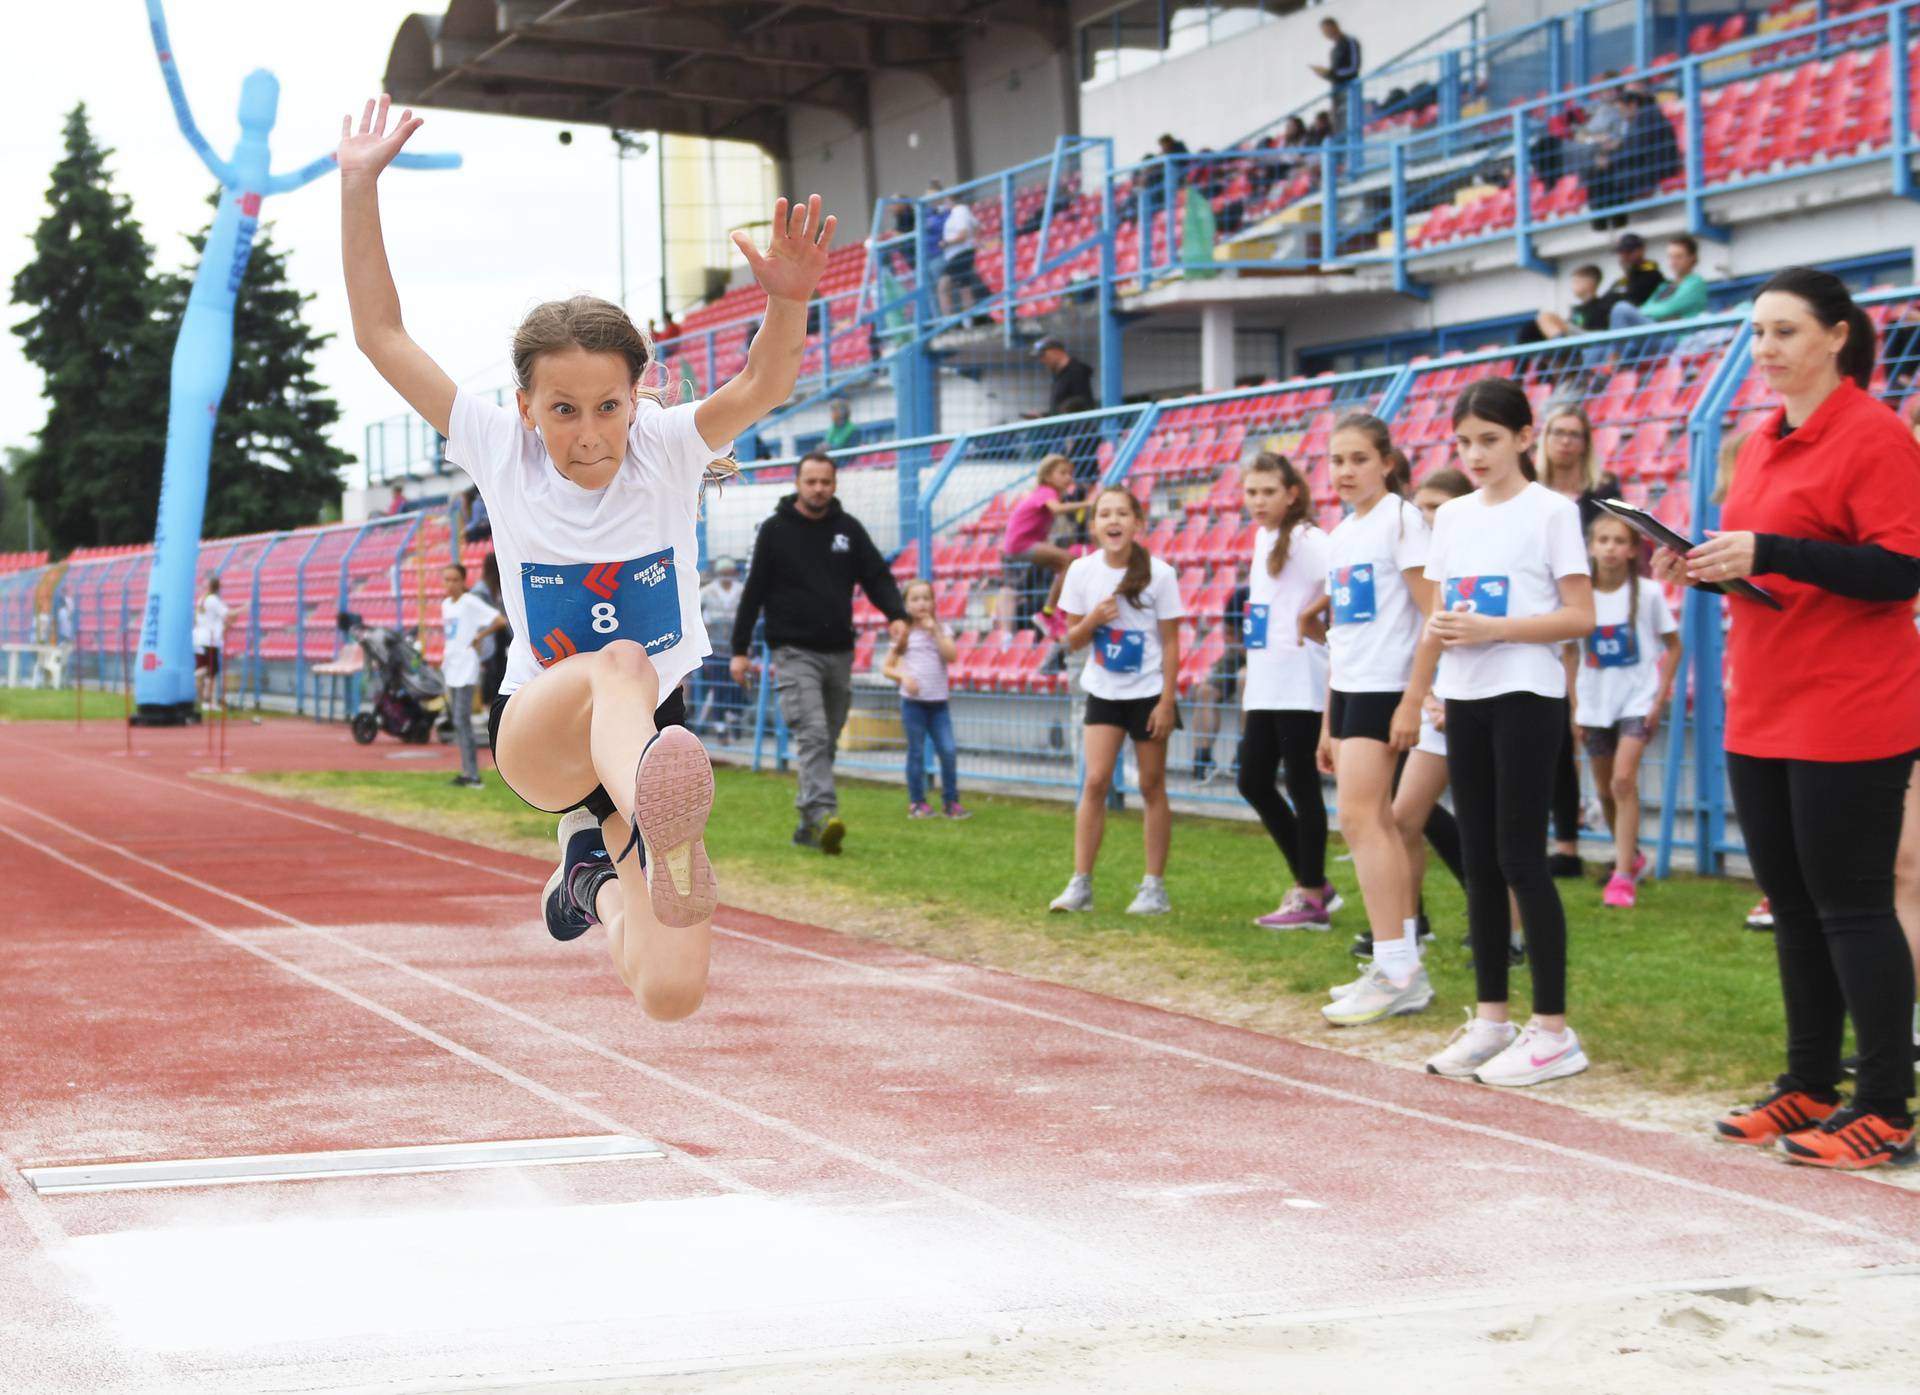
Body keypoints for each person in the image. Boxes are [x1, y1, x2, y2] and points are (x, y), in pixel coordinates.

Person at [341, 94, 839, 1021]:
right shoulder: (499, 449)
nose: (587, 434)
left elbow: (765, 382)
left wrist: (791, 296)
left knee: (670, 991)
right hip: (544, 727)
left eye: (607, 407)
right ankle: (638, 814)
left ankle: (587, 882)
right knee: (617, 662)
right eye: (563, 410)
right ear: (527, 406)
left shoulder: (668, 445)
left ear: (637, 397)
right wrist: (358, 184)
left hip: (651, 743)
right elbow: (382, 335)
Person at [1655, 267, 1920, 1168]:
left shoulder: (1876, 434)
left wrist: (1770, 549)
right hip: (1762, 698)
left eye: (1784, 332)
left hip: (1850, 703)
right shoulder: (1762, 437)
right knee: (1796, 908)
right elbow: (1774, 566)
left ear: (1837, 336)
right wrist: (1706, 563)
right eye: (1758, 333)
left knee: (1851, 906)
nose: (1764, 349)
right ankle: (1809, 1082)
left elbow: (1899, 570)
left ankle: (1885, 1103)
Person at [1406, 377, 1595, 1084]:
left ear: (1524, 437)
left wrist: (1497, 629)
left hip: (1527, 695)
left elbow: (1580, 616)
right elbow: (1442, 608)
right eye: (1464, 442)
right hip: (1465, 696)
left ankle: (1553, 1031)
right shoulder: (1451, 516)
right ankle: (1491, 1021)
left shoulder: (1552, 512)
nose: (1475, 454)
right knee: (1481, 861)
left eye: (1489, 439)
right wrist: (1421, 688)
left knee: (1521, 857)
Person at [1315, 415, 1435, 1027]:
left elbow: (1432, 611)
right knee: (1373, 822)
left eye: (1358, 458)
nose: (1345, 471)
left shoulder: (1401, 520)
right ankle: (1398, 962)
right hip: (1355, 688)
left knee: (1363, 819)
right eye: (1337, 460)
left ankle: (1398, 969)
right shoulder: (1340, 534)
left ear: (1387, 461)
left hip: (1390, 685)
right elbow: (1342, 633)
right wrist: (1327, 722)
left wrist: (1417, 697)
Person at [729, 451, 909, 853]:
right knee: (812, 733)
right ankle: (827, 813)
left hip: (840, 653)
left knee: (826, 739)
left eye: (825, 482)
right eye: (811, 481)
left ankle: (807, 823)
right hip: (794, 653)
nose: (818, 489)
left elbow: (877, 576)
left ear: (835, 484)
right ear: (797, 483)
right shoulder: (775, 531)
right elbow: (753, 591)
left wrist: (896, 613)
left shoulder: (848, 530)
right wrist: (739, 649)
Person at [1050, 487, 1185, 916]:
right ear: (1093, 526)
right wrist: (1094, 619)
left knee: (1151, 785)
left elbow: (1171, 641)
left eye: (1122, 513)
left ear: (1137, 523)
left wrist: (1167, 701)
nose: (1114, 521)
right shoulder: (1081, 571)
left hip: (1147, 694)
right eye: (1105, 514)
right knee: (1095, 781)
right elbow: (1070, 640)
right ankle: (1081, 884)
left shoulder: (1160, 574)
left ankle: (1153, 888)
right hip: (1103, 691)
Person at [1234, 453, 1341, 931]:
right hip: (1266, 679)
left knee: (1301, 784)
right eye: (1251, 492)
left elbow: (1346, 580)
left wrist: (1311, 614)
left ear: (1291, 493)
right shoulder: (1264, 537)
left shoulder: (1308, 538)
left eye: (1268, 492)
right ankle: (1312, 877)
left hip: (1300, 678)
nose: (1258, 501)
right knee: (1252, 779)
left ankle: (1311, 895)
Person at [1575, 513, 1680, 908]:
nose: (1610, 548)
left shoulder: (1648, 594)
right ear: (1591, 546)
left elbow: (1674, 646)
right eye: (1602, 540)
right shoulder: (1580, 594)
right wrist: (1574, 706)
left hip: (1636, 701)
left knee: (1622, 781)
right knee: (1604, 788)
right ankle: (1631, 855)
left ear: (1633, 549)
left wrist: (1657, 700)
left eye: (1619, 541)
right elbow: (1570, 652)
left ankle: (1621, 876)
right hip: (1594, 704)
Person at [883, 577, 968, 820]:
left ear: (933, 602)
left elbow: (951, 656)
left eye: (926, 598)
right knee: (916, 752)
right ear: (906, 604)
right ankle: (917, 802)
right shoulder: (904, 633)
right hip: (913, 705)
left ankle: (951, 802)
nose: (922, 604)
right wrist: (903, 677)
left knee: (948, 751)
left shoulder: (942, 629)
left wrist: (935, 632)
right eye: (915, 599)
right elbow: (887, 666)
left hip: (939, 705)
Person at [439, 562, 508, 789]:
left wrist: (480, 636)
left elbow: (499, 620)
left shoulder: (469, 603)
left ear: (463, 581)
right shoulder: (446, 605)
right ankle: (466, 771)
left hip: (466, 669)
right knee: (458, 722)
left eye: (454, 580)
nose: (450, 584)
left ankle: (473, 775)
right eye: (446, 580)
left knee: (461, 720)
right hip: (451, 668)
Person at [1002, 454, 1082, 639]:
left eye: (1070, 473)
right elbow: (1057, 509)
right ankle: (1048, 612)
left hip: (1022, 543)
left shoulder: (1048, 493)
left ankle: (1049, 611)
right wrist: (1087, 504)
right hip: (1021, 543)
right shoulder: (1046, 491)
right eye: (1062, 473)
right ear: (1047, 476)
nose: (1068, 477)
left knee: (1065, 566)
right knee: (1070, 561)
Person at [1591, 89, 1681, 225]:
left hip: (1658, 169)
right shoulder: (1644, 118)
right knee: (1601, 174)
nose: (1621, 116)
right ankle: (1608, 221)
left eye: (1622, 110)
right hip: (1650, 166)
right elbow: (1635, 147)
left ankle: (1609, 223)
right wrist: (1615, 150)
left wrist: (1611, 159)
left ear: (1632, 105)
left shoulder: (1647, 116)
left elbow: (1636, 150)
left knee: (1605, 176)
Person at [1610, 234, 1710, 328]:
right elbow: (1647, 307)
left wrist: (1661, 312)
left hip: (1678, 336)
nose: (1673, 262)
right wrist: (1665, 315)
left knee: (1621, 309)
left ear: (1692, 258)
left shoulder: (1695, 283)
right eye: (1671, 257)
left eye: (1678, 257)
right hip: (1661, 331)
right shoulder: (1668, 286)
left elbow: (1668, 308)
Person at [696, 557, 746, 739]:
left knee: (737, 685)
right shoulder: (707, 592)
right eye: (723, 573)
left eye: (729, 573)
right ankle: (720, 727)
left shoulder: (741, 591)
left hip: (736, 646)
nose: (726, 577)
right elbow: (696, 614)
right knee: (718, 686)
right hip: (714, 647)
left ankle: (734, 716)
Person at [1588, 233, 1666, 326]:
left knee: (1621, 309)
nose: (1624, 257)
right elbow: (1601, 306)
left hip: (1644, 329)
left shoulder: (1652, 276)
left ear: (1641, 250)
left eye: (1628, 252)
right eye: (1621, 253)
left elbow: (1633, 299)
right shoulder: (1620, 282)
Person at [939, 193, 989, 324]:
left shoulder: (959, 212)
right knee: (963, 286)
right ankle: (968, 319)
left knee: (944, 285)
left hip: (960, 253)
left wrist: (946, 243)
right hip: (962, 252)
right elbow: (978, 227)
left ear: (950, 200)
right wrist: (972, 239)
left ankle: (949, 320)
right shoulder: (964, 212)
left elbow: (963, 234)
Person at [1527, 264, 1604, 343]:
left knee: (1545, 317)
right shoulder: (1578, 309)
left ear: (1589, 283)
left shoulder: (1603, 305)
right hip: (1579, 338)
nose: (1572, 286)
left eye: (1576, 282)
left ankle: (1560, 343)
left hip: (1590, 337)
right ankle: (1560, 343)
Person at [472, 549, 509, 706]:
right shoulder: (480, 592)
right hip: (488, 637)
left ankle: (496, 706)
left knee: (500, 673)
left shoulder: (500, 587)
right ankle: (487, 706)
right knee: (490, 674)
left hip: (501, 638)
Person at [1310, 18, 1362, 132]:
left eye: (1326, 30)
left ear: (1333, 26)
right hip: (1336, 92)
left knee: (1349, 125)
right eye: (1323, 32)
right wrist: (1324, 74)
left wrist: (1330, 73)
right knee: (1338, 126)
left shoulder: (1350, 42)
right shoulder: (1333, 49)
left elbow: (1353, 68)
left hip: (1349, 91)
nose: (1325, 34)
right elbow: (1334, 75)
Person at [192, 574, 231, 712]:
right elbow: (228, 614)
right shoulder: (213, 600)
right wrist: (243, 609)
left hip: (198, 638)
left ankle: (203, 699)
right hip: (210, 640)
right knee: (211, 671)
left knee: (204, 668)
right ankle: (208, 700)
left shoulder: (202, 599)